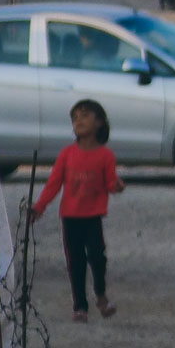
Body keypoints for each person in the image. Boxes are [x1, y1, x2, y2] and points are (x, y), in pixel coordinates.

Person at [29, 99, 125, 322]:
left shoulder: (105, 155)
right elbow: (54, 183)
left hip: (93, 215)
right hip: (71, 216)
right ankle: (80, 305)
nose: (79, 120)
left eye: (85, 115)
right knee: (76, 261)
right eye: (75, 118)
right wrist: (39, 206)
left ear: (100, 122)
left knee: (97, 257)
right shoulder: (67, 154)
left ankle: (100, 295)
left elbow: (110, 183)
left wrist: (118, 186)